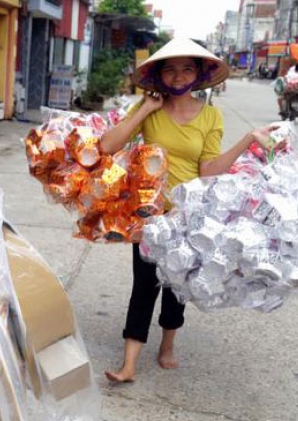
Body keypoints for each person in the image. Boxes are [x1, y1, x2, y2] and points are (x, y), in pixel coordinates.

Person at [98, 38, 278, 383]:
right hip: (150, 215)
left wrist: (247, 140)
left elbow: (209, 170)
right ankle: (129, 364)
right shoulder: (149, 107)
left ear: (199, 73)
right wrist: (147, 111)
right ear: (159, 74)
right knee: (144, 284)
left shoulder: (211, 115)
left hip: (189, 217)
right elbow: (108, 146)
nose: (178, 76)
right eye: (170, 68)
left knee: (176, 285)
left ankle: (167, 345)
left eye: (186, 68)